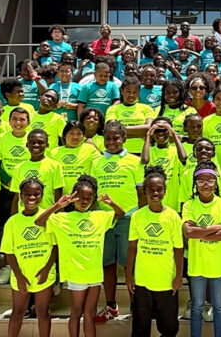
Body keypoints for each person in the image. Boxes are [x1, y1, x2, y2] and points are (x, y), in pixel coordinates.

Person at [38, 175, 125, 337]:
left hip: (94, 273)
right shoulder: (62, 218)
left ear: (93, 200)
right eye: (80, 197)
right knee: (76, 313)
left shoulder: (99, 216)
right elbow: (39, 221)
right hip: (75, 273)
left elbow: (120, 213)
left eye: (88, 198)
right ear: (73, 197)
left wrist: (111, 203)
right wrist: (57, 205)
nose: (84, 201)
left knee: (90, 314)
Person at [91, 120, 146, 324]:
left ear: (124, 139)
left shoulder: (134, 161)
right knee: (107, 265)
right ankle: (111, 305)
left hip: (128, 219)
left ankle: (135, 307)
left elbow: (141, 193)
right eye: (107, 138)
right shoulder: (96, 162)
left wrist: (138, 216)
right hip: (104, 220)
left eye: (116, 138)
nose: (112, 142)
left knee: (129, 265)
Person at [126, 166, 184, 337]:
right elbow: (132, 247)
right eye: (151, 189)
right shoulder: (138, 216)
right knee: (140, 326)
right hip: (143, 281)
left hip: (166, 281)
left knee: (169, 327)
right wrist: (129, 274)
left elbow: (178, 249)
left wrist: (179, 276)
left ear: (165, 191)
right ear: (144, 191)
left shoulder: (173, 216)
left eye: (159, 189)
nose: (155, 193)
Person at [182, 164, 221, 337]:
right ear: (195, 184)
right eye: (201, 181)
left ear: (216, 183)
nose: (206, 185)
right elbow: (188, 232)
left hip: (218, 264)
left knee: (219, 305)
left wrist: (202, 233)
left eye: (210, 180)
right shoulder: (189, 205)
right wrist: (216, 227)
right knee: (197, 305)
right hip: (197, 264)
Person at [2, 178, 57, 337]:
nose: (32, 198)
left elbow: (55, 247)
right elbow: (9, 252)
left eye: (36, 194)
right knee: (18, 311)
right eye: (27, 194)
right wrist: (19, 276)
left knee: (43, 312)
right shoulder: (13, 222)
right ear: (20, 196)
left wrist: (46, 270)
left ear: (42, 195)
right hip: (21, 273)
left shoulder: (48, 218)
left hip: (43, 274)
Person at [9, 129, 64, 213]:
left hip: (46, 214)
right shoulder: (19, 167)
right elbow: (16, 197)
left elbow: (58, 196)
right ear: (27, 144)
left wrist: (57, 217)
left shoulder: (55, 166)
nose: (36, 145)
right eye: (32, 142)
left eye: (40, 142)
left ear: (47, 145)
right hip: (24, 215)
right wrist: (12, 219)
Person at [141, 118, 189, 212]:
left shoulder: (175, 151)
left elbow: (183, 157)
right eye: (157, 130)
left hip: (173, 201)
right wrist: (148, 135)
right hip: (154, 201)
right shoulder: (150, 151)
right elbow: (145, 160)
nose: (161, 133)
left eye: (165, 130)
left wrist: (174, 134)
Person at [0, 107, 32, 205]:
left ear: (28, 122)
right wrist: (8, 180)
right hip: (7, 188)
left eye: (22, 119)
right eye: (14, 119)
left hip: (29, 188)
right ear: (9, 121)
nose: (18, 123)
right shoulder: (1, 139)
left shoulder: (33, 138)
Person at [105, 76, 155, 155]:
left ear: (139, 93)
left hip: (143, 152)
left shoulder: (147, 108)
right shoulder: (113, 109)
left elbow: (150, 129)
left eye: (135, 92)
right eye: (128, 91)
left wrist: (122, 130)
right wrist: (140, 133)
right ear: (121, 91)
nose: (131, 95)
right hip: (120, 152)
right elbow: (113, 131)